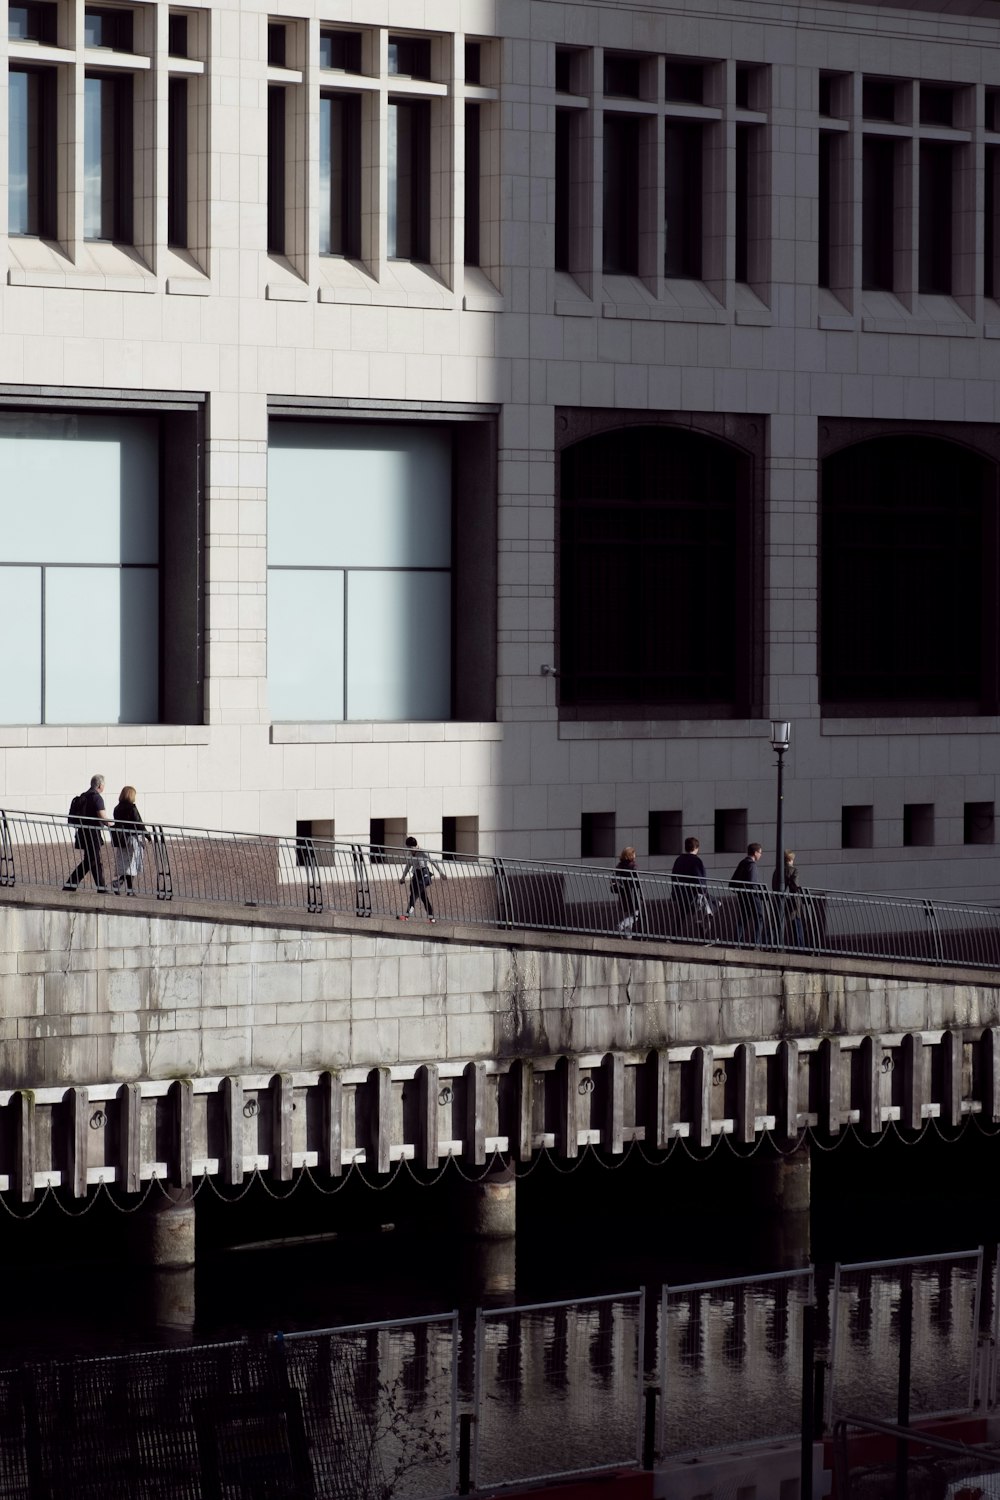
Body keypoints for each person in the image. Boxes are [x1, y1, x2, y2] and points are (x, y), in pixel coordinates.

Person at [64, 774, 110, 892]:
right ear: (100, 785)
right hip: (93, 833)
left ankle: (101, 887)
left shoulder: (84, 796)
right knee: (91, 860)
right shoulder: (97, 798)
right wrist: (114, 825)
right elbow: (103, 817)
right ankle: (70, 884)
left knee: (92, 860)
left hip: (83, 832)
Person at [111, 786, 150, 895]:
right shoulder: (132, 808)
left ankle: (128, 889)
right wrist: (148, 836)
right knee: (133, 864)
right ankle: (120, 883)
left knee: (127, 865)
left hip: (122, 839)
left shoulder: (117, 808)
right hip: (133, 838)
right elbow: (139, 824)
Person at [671, 836, 711, 938]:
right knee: (701, 914)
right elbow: (699, 878)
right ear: (696, 848)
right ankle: (705, 938)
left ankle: (673, 937)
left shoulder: (679, 859)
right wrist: (703, 892)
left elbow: (674, 876)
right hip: (693, 895)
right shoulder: (696, 861)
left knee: (682, 916)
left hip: (680, 893)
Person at [398, 836, 445, 922]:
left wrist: (441, 873)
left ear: (415, 846)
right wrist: (403, 877)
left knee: (414, 894)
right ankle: (432, 918)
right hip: (416, 875)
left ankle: (407, 915)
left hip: (424, 875)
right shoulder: (409, 853)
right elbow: (408, 865)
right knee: (423, 897)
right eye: (408, 848)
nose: (410, 849)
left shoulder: (423, 852)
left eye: (411, 848)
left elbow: (433, 862)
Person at [729, 841, 764, 946]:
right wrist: (760, 894)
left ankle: (737, 941)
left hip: (742, 896)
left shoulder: (742, 863)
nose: (761, 855)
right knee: (759, 917)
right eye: (760, 853)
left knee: (744, 918)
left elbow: (733, 881)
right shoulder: (752, 865)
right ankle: (756, 943)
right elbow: (752, 882)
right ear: (755, 853)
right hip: (752, 896)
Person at [612, 846, 644, 937]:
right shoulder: (633, 866)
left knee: (629, 915)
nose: (635, 855)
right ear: (631, 855)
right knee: (635, 915)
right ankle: (621, 925)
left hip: (623, 894)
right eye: (634, 853)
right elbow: (637, 881)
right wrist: (641, 893)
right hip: (633, 894)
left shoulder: (619, 866)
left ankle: (628, 937)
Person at [782, 850, 806, 947]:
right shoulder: (794, 870)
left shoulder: (779, 870)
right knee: (797, 923)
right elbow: (795, 886)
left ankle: (775, 944)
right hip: (793, 901)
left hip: (782, 899)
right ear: (791, 859)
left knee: (778, 923)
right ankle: (800, 947)